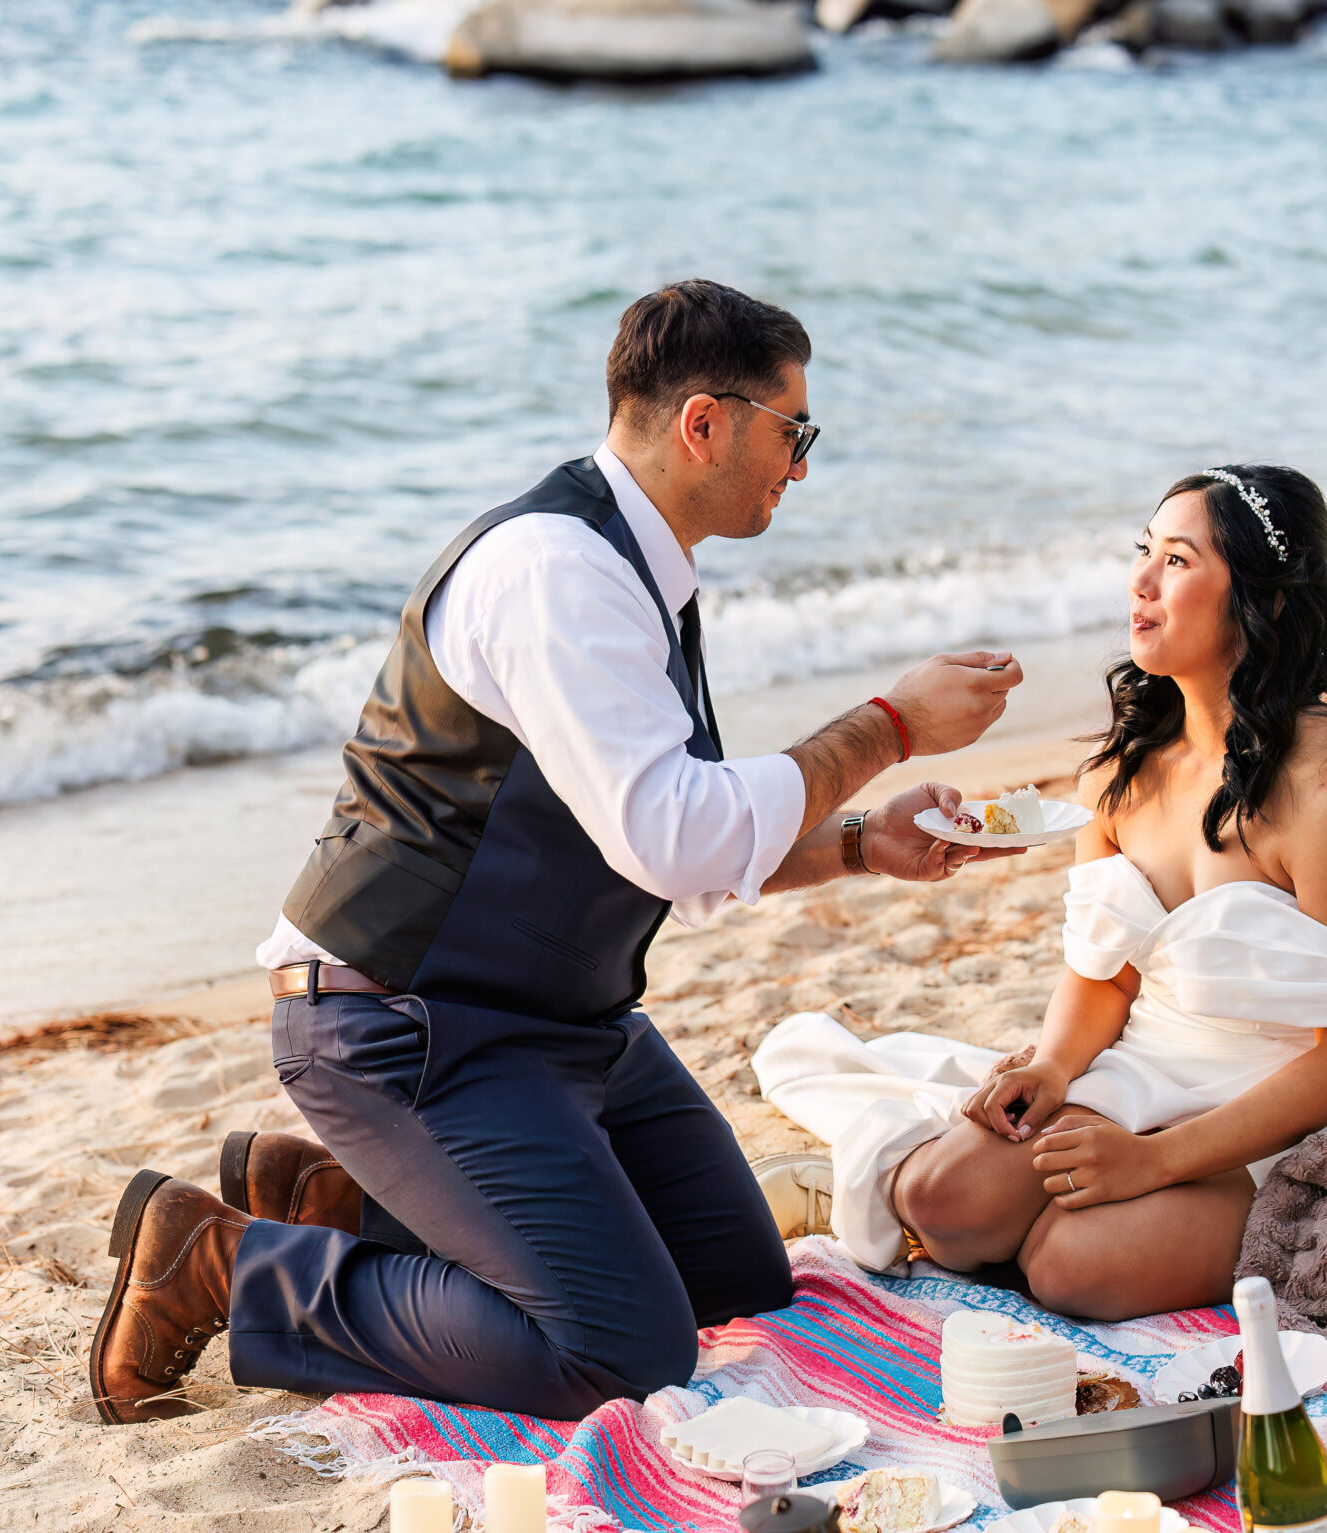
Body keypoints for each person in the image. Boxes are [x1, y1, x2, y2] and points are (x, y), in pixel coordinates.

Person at [88, 281, 1023, 1424]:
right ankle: (228, 1264)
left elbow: (665, 828)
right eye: (794, 432)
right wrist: (890, 726)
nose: (802, 465)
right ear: (704, 423)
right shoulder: (557, 573)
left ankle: (339, 1201)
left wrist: (861, 844)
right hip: (405, 1025)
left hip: (560, 1025)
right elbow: (677, 836)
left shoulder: (638, 570)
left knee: (733, 1276)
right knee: (618, 1349)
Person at [755, 465, 1327, 1322]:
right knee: (940, 1202)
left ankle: (1107, 1214)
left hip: (1299, 1111)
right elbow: (1102, 974)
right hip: (1151, 1064)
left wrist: (1155, 1162)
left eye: (1178, 561)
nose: (1140, 582)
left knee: (1070, 1267)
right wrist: (1053, 1065)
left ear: (1264, 601)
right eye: (1143, 552)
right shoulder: (1118, 772)